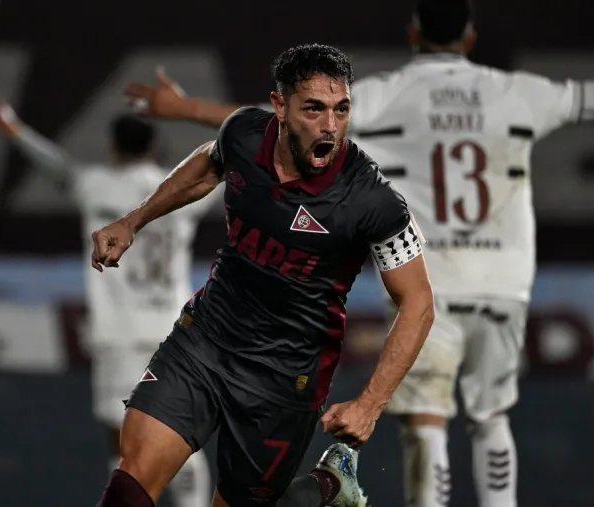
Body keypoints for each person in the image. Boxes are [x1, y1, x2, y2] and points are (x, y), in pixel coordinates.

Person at [121, 1, 594, 505]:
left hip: (430, 285)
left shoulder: (390, 98)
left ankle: (350, 487)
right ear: (471, 37)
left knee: (425, 425)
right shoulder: (518, 93)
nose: (332, 121)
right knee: (491, 420)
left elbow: (272, 120)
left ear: (413, 34)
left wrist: (183, 108)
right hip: (504, 281)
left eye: (340, 110)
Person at [91, 43, 435, 507]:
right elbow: (208, 165)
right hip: (205, 340)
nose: (329, 126)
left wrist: (369, 405)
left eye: (341, 109)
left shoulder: (372, 200)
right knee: (129, 485)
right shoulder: (244, 133)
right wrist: (133, 220)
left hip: (284, 378)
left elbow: (418, 302)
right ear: (279, 106)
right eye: (314, 108)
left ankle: (328, 485)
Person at [0, 104, 216, 507]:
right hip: (175, 331)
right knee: (182, 435)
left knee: (123, 442)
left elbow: (57, 166)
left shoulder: (96, 186)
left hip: (118, 333)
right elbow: (227, 170)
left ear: (112, 147)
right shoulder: (180, 191)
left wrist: (15, 129)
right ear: (155, 147)